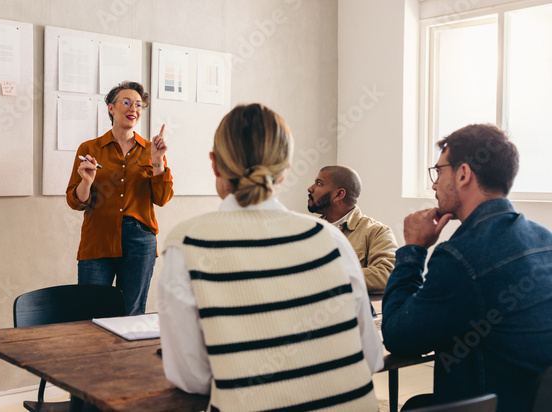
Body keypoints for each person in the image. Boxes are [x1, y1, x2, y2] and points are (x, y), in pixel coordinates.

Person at [158, 103, 382, 411]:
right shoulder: (331, 240)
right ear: (285, 170)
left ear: (215, 164)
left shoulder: (185, 245)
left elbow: (193, 378)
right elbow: (368, 359)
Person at [382, 124, 552, 412]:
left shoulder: (461, 256)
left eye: (439, 171)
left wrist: (413, 250)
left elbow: (399, 337)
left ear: (463, 174)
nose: (434, 184)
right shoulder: (544, 239)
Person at [65, 81, 173, 316]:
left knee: (131, 314)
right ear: (111, 108)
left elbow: (162, 198)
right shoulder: (90, 148)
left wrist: (157, 161)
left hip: (139, 240)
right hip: (98, 238)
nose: (133, 108)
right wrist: (86, 181)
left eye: (138, 104)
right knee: (90, 313)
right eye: (126, 102)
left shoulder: (150, 149)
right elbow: (75, 201)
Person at [307, 165, 398, 293]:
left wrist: (327, 276)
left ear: (339, 194)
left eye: (319, 183)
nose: (310, 188)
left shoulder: (376, 232)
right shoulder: (308, 229)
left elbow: (387, 274)